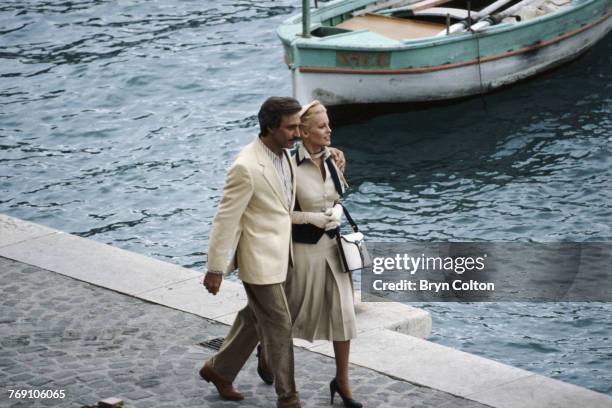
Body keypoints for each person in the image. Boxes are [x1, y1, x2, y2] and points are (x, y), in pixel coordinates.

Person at [200, 96, 345, 408]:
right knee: (279, 323)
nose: (297, 133)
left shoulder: (285, 153)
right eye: (291, 128)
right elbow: (225, 220)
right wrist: (214, 269)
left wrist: (328, 152)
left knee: (255, 317)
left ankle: (218, 370)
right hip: (259, 260)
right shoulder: (246, 167)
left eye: (298, 127)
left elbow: (311, 122)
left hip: (285, 254)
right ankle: (288, 398)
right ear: (270, 128)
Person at [288, 100, 362, 408]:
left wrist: (334, 212)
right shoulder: (288, 165)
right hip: (303, 252)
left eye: (328, 124)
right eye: (322, 126)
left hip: (334, 248)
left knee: (343, 315)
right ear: (304, 132)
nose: (329, 130)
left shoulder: (334, 158)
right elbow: (279, 214)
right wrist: (314, 218)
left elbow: (339, 197)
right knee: (292, 315)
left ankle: (342, 382)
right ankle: (267, 349)